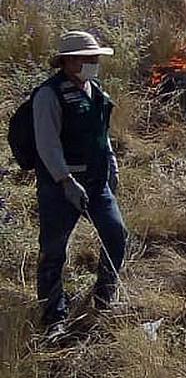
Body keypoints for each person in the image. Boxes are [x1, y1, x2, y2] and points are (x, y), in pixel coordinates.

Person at [33, 31, 127, 342]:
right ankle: (53, 319)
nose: (95, 63)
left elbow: (102, 134)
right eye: (89, 58)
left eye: (95, 57)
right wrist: (66, 181)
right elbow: (47, 144)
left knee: (116, 234)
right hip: (61, 187)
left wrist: (111, 164)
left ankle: (104, 297)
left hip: (97, 182)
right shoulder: (49, 95)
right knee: (53, 251)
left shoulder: (95, 91)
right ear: (69, 61)